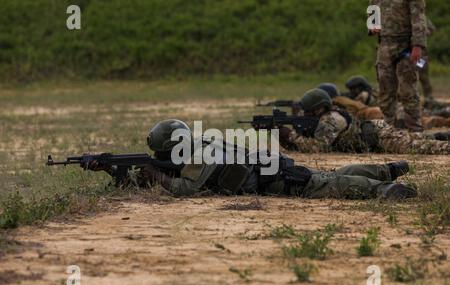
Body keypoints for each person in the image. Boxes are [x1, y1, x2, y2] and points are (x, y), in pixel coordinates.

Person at [85, 119, 417, 200]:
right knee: (326, 174)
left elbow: (187, 189)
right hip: (270, 166)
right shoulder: (199, 142)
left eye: (163, 154)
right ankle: (385, 169)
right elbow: (156, 175)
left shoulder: (200, 155)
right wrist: (112, 172)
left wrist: (154, 174)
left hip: (277, 178)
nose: (161, 159)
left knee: (325, 184)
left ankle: (382, 190)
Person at [279, 89, 450, 154]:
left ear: (318, 108)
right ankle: (444, 136)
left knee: (423, 148)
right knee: (418, 141)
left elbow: (319, 147)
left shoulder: (332, 119)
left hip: (381, 137)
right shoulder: (324, 118)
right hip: (377, 133)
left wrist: (290, 135)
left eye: (308, 111)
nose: (305, 114)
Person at [369, 0, 427, 132]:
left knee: (408, 90)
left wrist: (418, 45)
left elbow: (418, 17)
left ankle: (415, 130)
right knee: (385, 89)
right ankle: (387, 130)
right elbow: (373, 6)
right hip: (384, 43)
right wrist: (372, 25)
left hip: (406, 44)